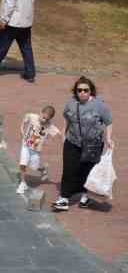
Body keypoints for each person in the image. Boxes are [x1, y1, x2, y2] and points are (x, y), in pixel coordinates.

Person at [54, 78, 113, 211]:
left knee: (87, 170)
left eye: (86, 90)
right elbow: (67, 119)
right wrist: (63, 134)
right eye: (79, 90)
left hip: (93, 144)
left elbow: (108, 121)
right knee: (69, 169)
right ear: (75, 91)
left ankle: (85, 197)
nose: (82, 93)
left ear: (90, 91)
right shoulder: (71, 103)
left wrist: (108, 138)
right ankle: (64, 198)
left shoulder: (99, 106)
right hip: (72, 141)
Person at [18, 105, 61, 196]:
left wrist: (62, 140)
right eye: (43, 117)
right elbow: (25, 119)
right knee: (23, 164)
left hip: (36, 150)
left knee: (33, 166)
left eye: (47, 119)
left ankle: (43, 169)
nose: (44, 120)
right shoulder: (32, 117)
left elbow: (58, 134)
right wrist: (22, 130)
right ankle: (23, 183)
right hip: (26, 145)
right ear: (41, 113)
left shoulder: (49, 126)